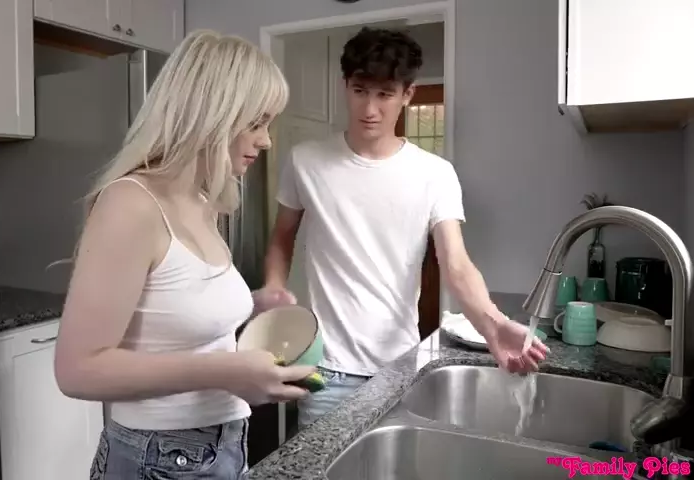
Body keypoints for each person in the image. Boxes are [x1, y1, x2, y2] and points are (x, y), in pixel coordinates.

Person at [253, 27, 549, 429]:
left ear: (407, 94)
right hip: (327, 368)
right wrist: (274, 288)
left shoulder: (435, 174)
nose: (370, 108)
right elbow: (281, 237)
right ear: (345, 85)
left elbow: (456, 264)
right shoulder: (305, 160)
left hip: (399, 367)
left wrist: (493, 324)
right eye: (360, 91)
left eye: (385, 94)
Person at [53, 29, 315, 480]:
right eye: (256, 122)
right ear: (212, 114)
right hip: (158, 458)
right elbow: (77, 370)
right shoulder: (131, 204)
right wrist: (223, 371)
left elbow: (170, 314)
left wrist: (254, 304)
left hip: (218, 445)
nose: (266, 140)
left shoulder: (201, 202)